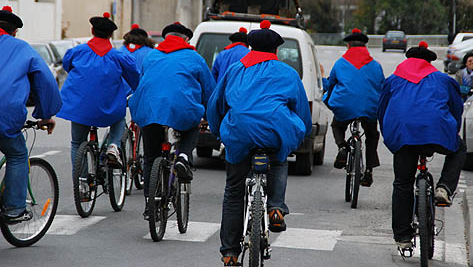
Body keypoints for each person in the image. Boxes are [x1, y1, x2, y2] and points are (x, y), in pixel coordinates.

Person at [207, 20, 312, 266]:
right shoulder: (288, 73)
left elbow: (216, 105)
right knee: (279, 159)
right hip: (274, 131)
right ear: (276, 50)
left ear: (250, 47)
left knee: (234, 191)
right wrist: (299, 134)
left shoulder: (234, 70)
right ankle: (275, 207)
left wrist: (220, 132)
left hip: (239, 133)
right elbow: (302, 115)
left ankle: (230, 254)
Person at [377, 41, 466, 249]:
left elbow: (381, 111)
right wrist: (452, 132)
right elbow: (456, 109)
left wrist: (390, 135)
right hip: (436, 130)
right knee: (459, 148)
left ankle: (403, 238)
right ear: (429, 62)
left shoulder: (393, 80)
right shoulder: (444, 80)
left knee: (402, 183)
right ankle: (444, 188)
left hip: (403, 134)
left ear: (407, 60)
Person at [128, 22, 215, 220]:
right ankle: (184, 156)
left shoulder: (151, 56)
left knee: (151, 156)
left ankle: (150, 203)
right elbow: (210, 91)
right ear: (186, 39)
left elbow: (143, 82)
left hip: (149, 109)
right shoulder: (195, 58)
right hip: (181, 109)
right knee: (192, 126)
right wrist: (209, 118)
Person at [0, 6, 61, 222]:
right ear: (14, 32)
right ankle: (14, 209)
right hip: (4, 118)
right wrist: (44, 115)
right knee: (17, 154)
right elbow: (45, 82)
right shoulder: (21, 49)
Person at [57, 12, 140, 170]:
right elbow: (134, 78)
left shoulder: (77, 52)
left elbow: (67, 66)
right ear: (110, 35)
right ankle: (113, 146)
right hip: (108, 109)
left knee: (77, 143)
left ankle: (81, 182)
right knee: (120, 118)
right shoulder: (119, 57)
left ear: (92, 31)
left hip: (80, 107)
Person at [322, 28, 384, 187]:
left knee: (337, 125)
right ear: (365, 47)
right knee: (371, 134)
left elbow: (331, 83)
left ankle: (342, 147)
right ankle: (369, 170)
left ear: (349, 45)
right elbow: (381, 86)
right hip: (369, 108)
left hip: (345, 107)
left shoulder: (340, 63)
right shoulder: (375, 65)